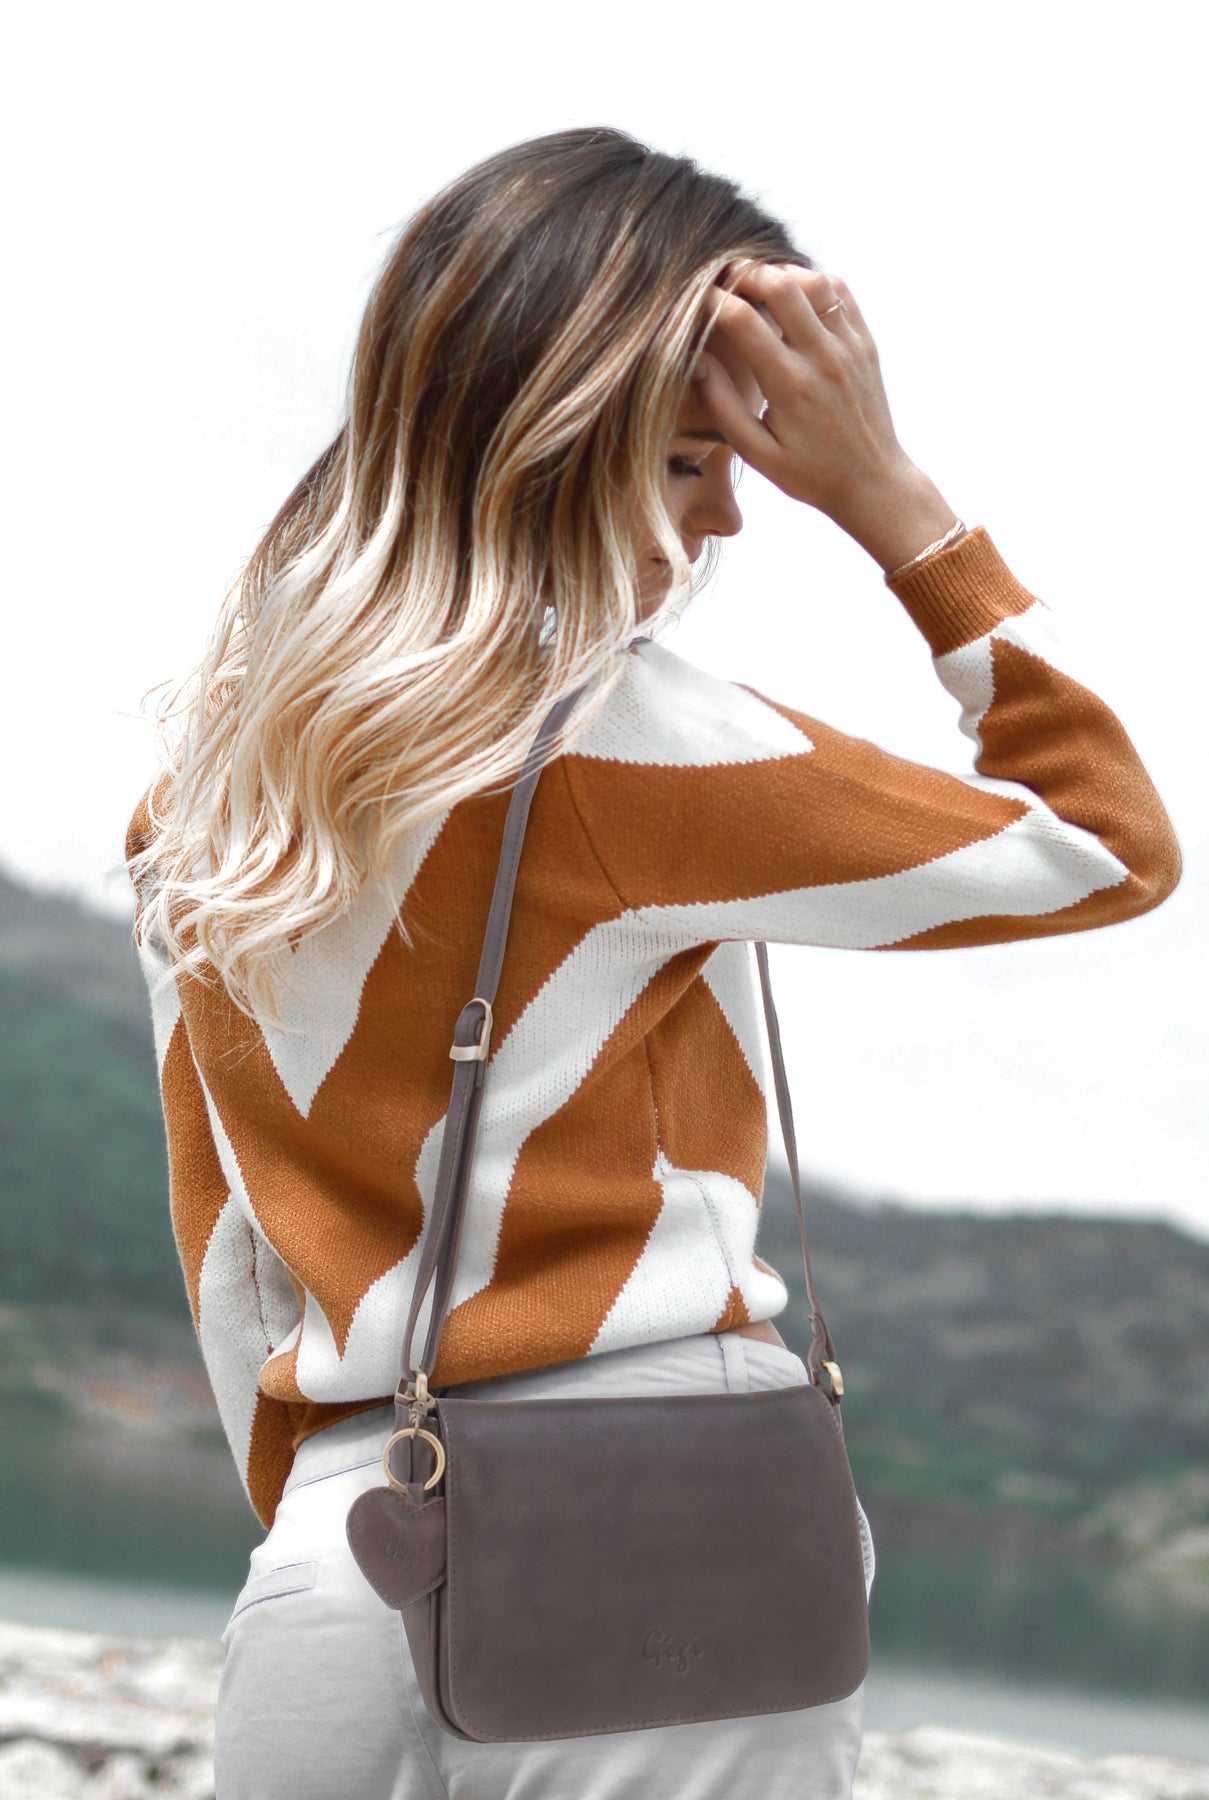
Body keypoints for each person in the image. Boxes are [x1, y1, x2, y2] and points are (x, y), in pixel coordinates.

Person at [125, 126, 1180, 1799]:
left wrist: (332, 1496)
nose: (731, 515)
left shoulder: (211, 778)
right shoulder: (629, 745)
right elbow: (1108, 846)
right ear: (558, 439)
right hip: (657, 1515)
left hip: (344, 1531)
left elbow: (229, 1239)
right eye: (692, 460)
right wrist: (895, 507)